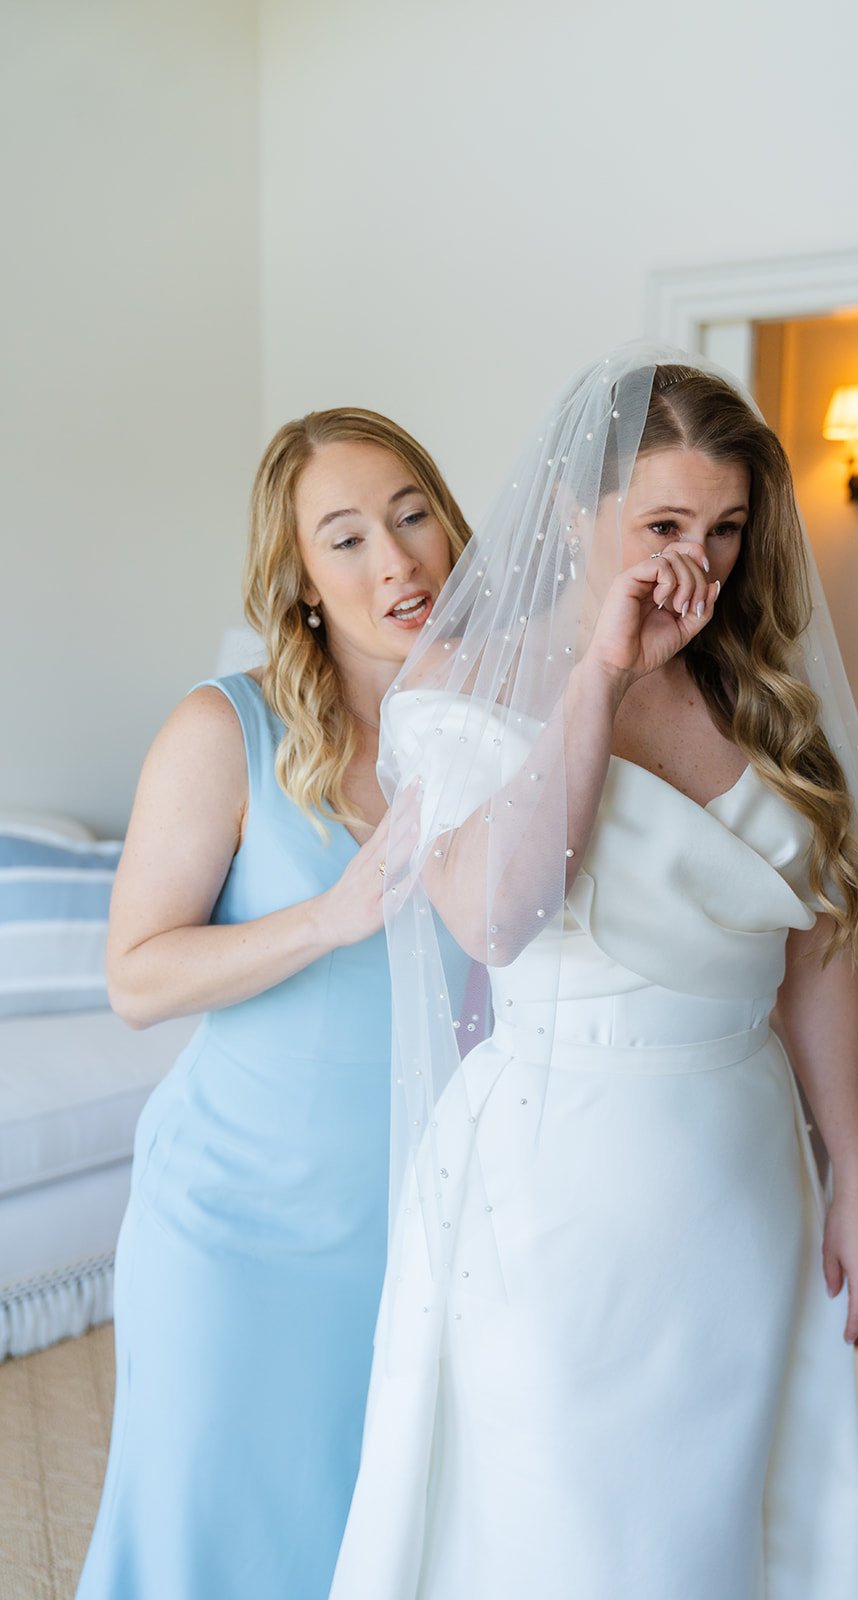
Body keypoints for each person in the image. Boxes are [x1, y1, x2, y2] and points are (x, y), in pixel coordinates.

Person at [329, 347, 858, 1600]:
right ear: (569, 512)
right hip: (555, 1183)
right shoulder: (459, 683)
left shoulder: (757, 692)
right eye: (659, 523)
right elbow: (496, 915)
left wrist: (856, 1177)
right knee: (565, 1523)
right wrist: (598, 676)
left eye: (722, 528)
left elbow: (811, 948)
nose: (690, 563)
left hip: (741, 1172)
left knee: (716, 1514)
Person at [76, 410, 471, 1600]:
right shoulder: (224, 728)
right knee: (206, 1535)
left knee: (367, 1534)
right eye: (344, 538)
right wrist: (326, 916)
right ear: (300, 580)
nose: (394, 561)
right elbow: (135, 978)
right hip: (235, 1229)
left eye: (411, 515)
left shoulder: (492, 727)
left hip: (415, 1224)